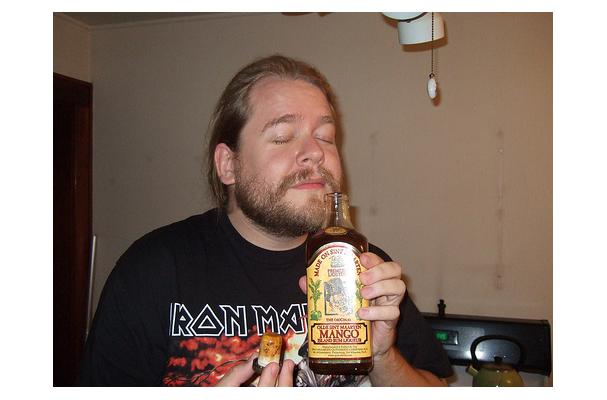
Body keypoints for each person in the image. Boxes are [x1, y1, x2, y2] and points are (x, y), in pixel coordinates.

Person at [80, 54, 453, 386]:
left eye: (326, 136)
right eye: (283, 136)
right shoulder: (153, 270)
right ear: (229, 165)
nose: (315, 153)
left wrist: (382, 355)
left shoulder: (363, 267)